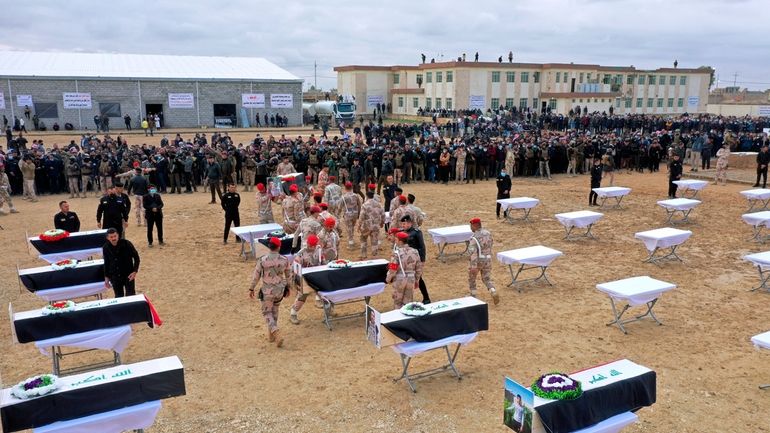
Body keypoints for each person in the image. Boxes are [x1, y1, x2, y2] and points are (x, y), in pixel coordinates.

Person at [249, 237, 291, 347]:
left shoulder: (263, 260)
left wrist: (251, 288)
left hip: (267, 291)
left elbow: (256, 275)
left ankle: (275, 332)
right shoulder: (284, 259)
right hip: (279, 290)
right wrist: (288, 288)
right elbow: (289, 276)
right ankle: (271, 336)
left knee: (267, 312)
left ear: (269, 246)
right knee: (275, 311)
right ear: (279, 247)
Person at [289, 234, 324, 325]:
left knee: (325, 294)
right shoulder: (301, 253)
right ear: (307, 243)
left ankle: (328, 312)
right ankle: (293, 313)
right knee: (302, 296)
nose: (311, 247)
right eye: (310, 245)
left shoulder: (319, 250)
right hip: (304, 278)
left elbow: (322, 262)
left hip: (317, 275)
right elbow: (295, 270)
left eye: (313, 245)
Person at [386, 231, 423, 309]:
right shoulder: (415, 251)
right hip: (411, 279)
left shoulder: (396, 253)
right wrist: (416, 280)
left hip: (399, 279)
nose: (395, 241)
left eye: (396, 239)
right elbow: (419, 268)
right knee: (408, 303)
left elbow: (393, 269)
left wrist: (388, 279)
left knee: (397, 301)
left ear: (400, 241)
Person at [400, 214, 431, 304]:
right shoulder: (402, 233)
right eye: (402, 224)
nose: (403, 226)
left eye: (404, 224)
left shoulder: (416, 233)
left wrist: (422, 260)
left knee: (419, 278)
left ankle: (426, 297)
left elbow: (422, 247)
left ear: (410, 223)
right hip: (405, 261)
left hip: (415, 260)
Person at [468, 218, 499, 305]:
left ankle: (473, 296)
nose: (471, 227)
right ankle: (493, 290)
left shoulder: (474, 238)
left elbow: (473, 252)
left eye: (471, 225)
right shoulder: (488, 233)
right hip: (488, 258)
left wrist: (473, 266)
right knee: (486, 278)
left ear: (475, 225)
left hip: (478, 260)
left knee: (472, 278)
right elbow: (491, 244)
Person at [102, 228, 140, 298]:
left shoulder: (127, 244)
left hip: (128, 275)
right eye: (111, 237)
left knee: (131, 296)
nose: (113, 238)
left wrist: (134, 271)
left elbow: (136, 258)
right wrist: (106, 278)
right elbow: (106, 263)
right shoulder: (105, 247)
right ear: (107, 238)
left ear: (118, 235)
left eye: (115, 236)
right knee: (118, 297)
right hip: (115, 276)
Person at [358, 189, 385, 259]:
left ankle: (363, 255)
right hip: (376, 225)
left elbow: (361, 216)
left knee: (363, 239)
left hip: (366, 226)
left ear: (366, 196)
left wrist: (359, 225)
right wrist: (382, 222)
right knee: (375, 241)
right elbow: (383, 214)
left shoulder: (364, 205)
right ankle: (374, 255)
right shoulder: (379, 204)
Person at [341, 181, 362, 247]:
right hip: (355, 213)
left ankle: (351, 242)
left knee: (349, 228)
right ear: (352, 187)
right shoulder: (356, 195)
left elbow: (339, 206)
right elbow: (359, 204)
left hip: (348, 214)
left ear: (345, 188)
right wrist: (359, 213)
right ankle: (351, 239)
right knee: (352, 227)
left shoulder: (344, 197)